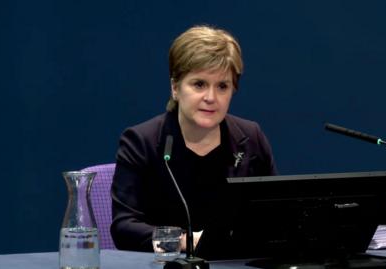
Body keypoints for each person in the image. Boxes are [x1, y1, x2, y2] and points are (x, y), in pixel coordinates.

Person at [110, 25, 278, 253]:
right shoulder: (142, 141)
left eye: (222, 86)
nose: (211, 97)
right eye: (199, 84)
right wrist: (183, 241)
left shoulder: (250, 138)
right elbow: (124, 228)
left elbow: (275, 216)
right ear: (175, 88)